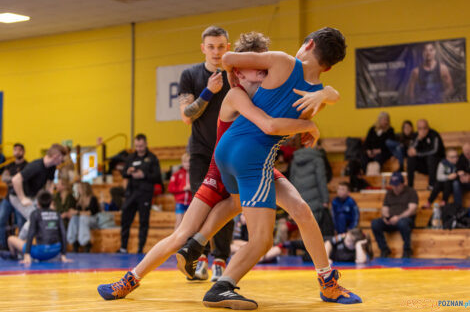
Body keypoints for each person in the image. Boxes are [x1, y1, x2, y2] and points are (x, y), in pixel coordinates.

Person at [97, 31, 359, 306]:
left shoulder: (291, 83)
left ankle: (198, 246)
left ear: (309, 45)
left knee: (294, 209)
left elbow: (277, 117)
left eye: (262, 71)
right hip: (232, 165)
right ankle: (210, 274)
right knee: (252, 236)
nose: (260, 76)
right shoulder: (237, 93)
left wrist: (328, 94)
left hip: (248, 164)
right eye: (256, 69)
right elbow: (270, 124)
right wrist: (315, 115)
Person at [204, 27, 361, 308]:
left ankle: (328, 281)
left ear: (309, 44)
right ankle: (221, 286)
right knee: (262, 240)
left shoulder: (280, 61)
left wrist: (237, 89)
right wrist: (319, 107)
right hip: (252, 157)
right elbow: (283, 124)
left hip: (229, 147)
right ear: (330, 66)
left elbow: (227, 58)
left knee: (300, 209)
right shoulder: (314, 100)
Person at [178, 25, 234, 280]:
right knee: (201, 207)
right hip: (201, 152)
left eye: (221, 46)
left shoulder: (236, 75)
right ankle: (200, 258)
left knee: (227, 205)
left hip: (229, 150)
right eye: (211, 46)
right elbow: (187, 116)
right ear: (203, 48)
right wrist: (208, 92)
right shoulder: (190, 75)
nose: (216, 51)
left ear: (228, 48)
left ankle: (220, 260)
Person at [117, 134, 162, 254]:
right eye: (137, 146)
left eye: (141, 146)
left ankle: (140, 248)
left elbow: (158, 177)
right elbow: (124, 174)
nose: (139, 148)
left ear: (146, 144)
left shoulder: (152, 158)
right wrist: (129, 171)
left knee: (143, 222)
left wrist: (144, 175)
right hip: (131, 193)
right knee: (125, 219)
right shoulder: (131, 158)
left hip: (145, 194)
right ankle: (123, 247)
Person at [11, 144, 66, 240]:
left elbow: (50, 184)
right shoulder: (36, 166)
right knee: (34, 218)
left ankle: (22, 244)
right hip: (17, 195)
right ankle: (18, 244)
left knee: (41, 216)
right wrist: (22, 198)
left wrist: (50, 202)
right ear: (56, 156)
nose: (62, 161)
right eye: (61, 158)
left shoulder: (52, 167)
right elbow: (15, 179)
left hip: (32, 196)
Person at [4, 190, 71, 264]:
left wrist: (27, 254)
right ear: (51, 203)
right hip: (56, 251)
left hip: (41, 252)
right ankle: (23, 254)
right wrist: (63, 255)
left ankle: (14, 256)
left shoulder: (35, 214)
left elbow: (31, 233)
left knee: (10, 239)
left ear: (38, 203)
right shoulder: (57, 214)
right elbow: (63, 233)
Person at [371, 171, 418, 258]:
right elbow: (385, 208)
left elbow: (412, 209)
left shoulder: (411, 192)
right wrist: (386, 217)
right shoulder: (389, 193)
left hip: (406, 219)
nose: (395, 187)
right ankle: (384, 249)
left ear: (402, 183)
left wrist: (398, 217)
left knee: (403, 223)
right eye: (393, 185)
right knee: (375, 223)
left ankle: (407, 249)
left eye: (397, 185)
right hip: (391, 219)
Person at [289, 144, 333, 236]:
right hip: (315, 198)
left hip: (299, 199)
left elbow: (291, 181)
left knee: (303, 229)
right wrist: (325, 199)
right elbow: (321, 180)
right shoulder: (318, 159)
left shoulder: (295, 160)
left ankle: (305, 248)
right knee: (314, 231)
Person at [0, 143, 28, 250]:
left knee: (21, 223)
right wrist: (16, 179)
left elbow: (26, 180)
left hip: (20, 198)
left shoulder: (27, 166)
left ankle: (20, 246)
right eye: (15, 150)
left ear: (23, 152)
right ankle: (2, 245)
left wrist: (12, 180)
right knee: (1, 220)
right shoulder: (9, 165)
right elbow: (4, 178)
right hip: (8, 198)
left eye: (19, 150)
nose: (17, 152)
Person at [406, 119, 445, 188]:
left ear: (428, 127)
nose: (422, 130)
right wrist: (418, 140)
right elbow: (410, 150)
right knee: (410, 158)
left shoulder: (434, 134)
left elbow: (434, 150)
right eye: (420, 128)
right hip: (423, 165)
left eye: (424, 128)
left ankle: (431, 185)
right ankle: (410, 186)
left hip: (436, 164)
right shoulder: (415, 135)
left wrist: (418, 153)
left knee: (431, 157)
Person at [67, 182, 99, 252]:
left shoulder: (93, 199)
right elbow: (78, 213)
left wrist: (77, 212)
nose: (78, 190)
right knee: (74, 218)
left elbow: (90, 213)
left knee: (83, 218)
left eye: (80, 188)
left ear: (85, 189)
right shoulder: (79, 200)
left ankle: (86, 243)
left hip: (93, 220)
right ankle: (74, 242)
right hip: (83, 220)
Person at [168, 153, 192, 229]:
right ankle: (176, 240)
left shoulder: (194, 174)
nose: (187, 164)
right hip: (180, 202)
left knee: (188, 224)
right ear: (182, 163)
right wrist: (183, 189)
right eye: (185, 162)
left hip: (191, 202)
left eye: (189, 162)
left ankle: (186, 241)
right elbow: (170, 188)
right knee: (179, 223)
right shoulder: (177, 174)